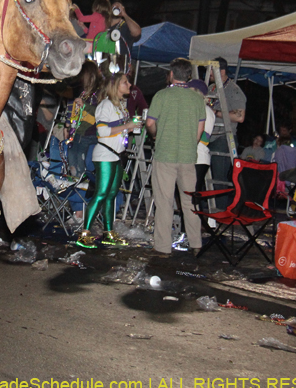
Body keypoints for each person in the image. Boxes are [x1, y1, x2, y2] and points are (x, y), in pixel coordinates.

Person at [145, 58, 206, 256]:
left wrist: (155, 134)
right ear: (189, 75)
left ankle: (163, 247)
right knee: (189, 202)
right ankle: (196, 243)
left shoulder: (162, 95)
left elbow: (149, 123)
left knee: (164, 201)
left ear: (171, 74)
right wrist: (191, 144)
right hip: (188, 156)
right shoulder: (197, 98)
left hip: (165, 154)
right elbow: (200, 128)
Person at [76, 72, 140, 248]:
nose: (129, 85)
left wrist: (131, 127)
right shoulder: (105, 105)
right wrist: (127, 126)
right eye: (125, 83)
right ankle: (84, 233)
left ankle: (108, 232)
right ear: (115, 86)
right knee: (101, 194)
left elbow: (118, 130)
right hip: (105, 155)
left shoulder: (120, 106)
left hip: (116, 155)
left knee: (111, 195)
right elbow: (102, 132)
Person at [207, 57, 247, 209]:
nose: (209, 73)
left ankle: (221, 212)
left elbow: (240, 116)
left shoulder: (234, 91)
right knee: (205, 176)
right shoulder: (211, 88)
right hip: (208, 136)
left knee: (219, 178)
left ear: (221, 71)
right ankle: (208, 210)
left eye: (211, 69)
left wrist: (216, 113)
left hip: (224, 137)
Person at [66, 60, 101, 180]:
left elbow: (99, 113)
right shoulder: (82, 93)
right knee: (71, 157)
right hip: (77, 132)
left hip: (88, 134)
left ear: (90, 76)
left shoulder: (98, 95)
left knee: (81, 161)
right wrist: (69, 122)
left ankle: (82, 184)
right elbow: (75, 111)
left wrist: (84, 105)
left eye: (83, 75)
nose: (81, 78)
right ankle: (75, 181)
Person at [187, 79, 215, 212]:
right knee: (187, 194)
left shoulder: (206, 111)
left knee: (193, 194)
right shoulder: (194, 109)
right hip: (190, 156)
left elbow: (204, 137)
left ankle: (192, 228)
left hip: (199, 158)